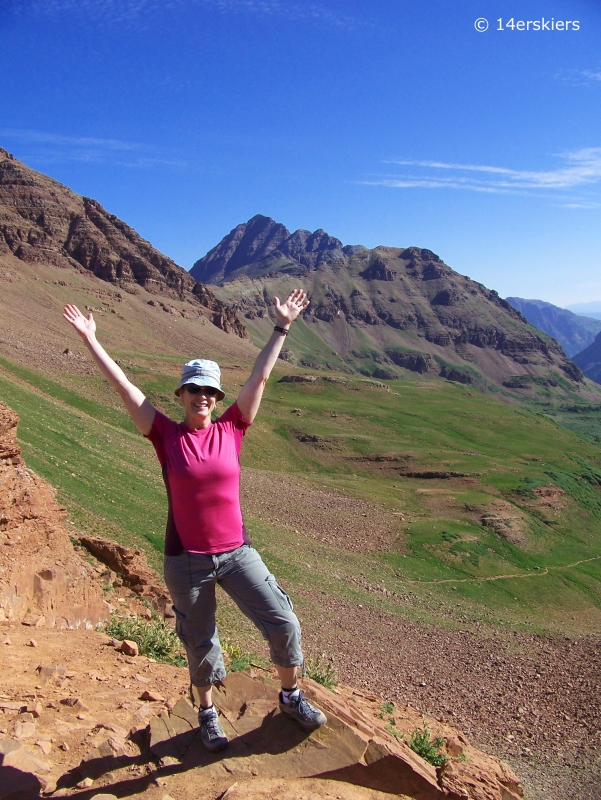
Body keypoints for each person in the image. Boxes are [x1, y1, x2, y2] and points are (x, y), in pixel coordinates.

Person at [62, 289, 326, 752]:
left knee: (283, 620)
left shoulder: (233, 427)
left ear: (216, 396)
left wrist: (282, 327)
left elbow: (260, 379)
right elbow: (123, 385)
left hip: (237, 553)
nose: (202, 396)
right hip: (187, 561)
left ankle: (290, 695)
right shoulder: (164, 434)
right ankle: (206, 713)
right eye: (194, 389)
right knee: (201, 641)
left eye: (209, 390)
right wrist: (89, 339)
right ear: (181, 394)